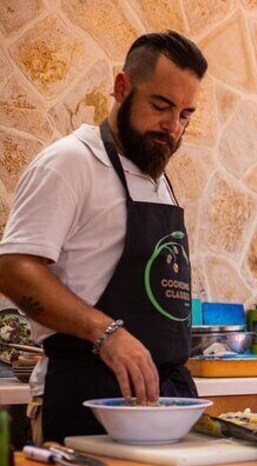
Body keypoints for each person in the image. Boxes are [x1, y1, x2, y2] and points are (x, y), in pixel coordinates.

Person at [0, 31, 208, 444]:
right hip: (84, 397)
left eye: (185, 114)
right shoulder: (70, 162)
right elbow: (13, 268)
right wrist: (106, 333)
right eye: (161, 106)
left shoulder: (157, 177)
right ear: (121, 87)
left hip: (162, 400)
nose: (172, 127)